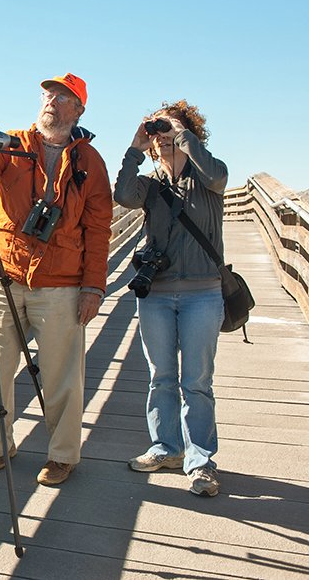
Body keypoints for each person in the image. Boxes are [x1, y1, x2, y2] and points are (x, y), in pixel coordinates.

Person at [0, 73, 113, 486]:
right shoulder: (13, 143)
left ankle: (62, 456)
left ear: (78, 109)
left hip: (62, 283)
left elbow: (99, 229)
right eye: (47, 94)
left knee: (62, 377)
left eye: (62, 96)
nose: (51, 101)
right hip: (3, 275)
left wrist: (93, 287)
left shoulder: (90, 161)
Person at [112, 99, 228, 497]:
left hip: (202, 294)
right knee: (160, 376)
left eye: (170, 130)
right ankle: (167, 448)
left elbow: (215, 174)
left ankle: (201, 463)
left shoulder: (208, 177)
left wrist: (182, 135)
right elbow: (123, 195)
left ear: (190, 133)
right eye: (156, 131)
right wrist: (135, 148)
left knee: (196, 381)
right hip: (156, 294)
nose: (162, 137)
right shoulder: (151, 186)